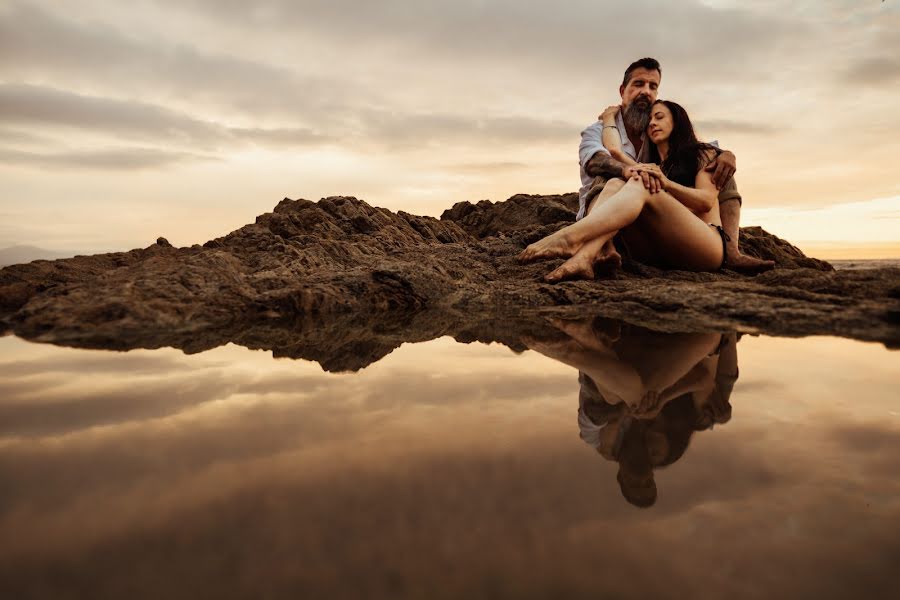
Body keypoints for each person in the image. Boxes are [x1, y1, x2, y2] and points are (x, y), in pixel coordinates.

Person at [565, 58, 774, 276]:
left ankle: (732, 253)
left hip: (653, 221)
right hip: (607, 214)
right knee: (612, 175)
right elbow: (595, 161)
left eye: (652, 86)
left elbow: (703, 152)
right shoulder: (597, 130)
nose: (646, 91)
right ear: (622, 90)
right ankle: (600, 247)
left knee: (720, 169)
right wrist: (626, 166)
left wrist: (727, 155)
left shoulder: (654, 136)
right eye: (638, 84)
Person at [518, 98, 734, 281]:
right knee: (616, 182)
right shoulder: (652, 164)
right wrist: (609, 118)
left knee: (641, 181)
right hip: (665, 253)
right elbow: (614, 151)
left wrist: (665, 183)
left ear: (677, 121)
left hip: (707, 247)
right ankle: (585, 257)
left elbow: (706, 201)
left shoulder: (703, 153)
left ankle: (570, 238)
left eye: (659, 117)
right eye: (649, 119)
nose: (652, 123)